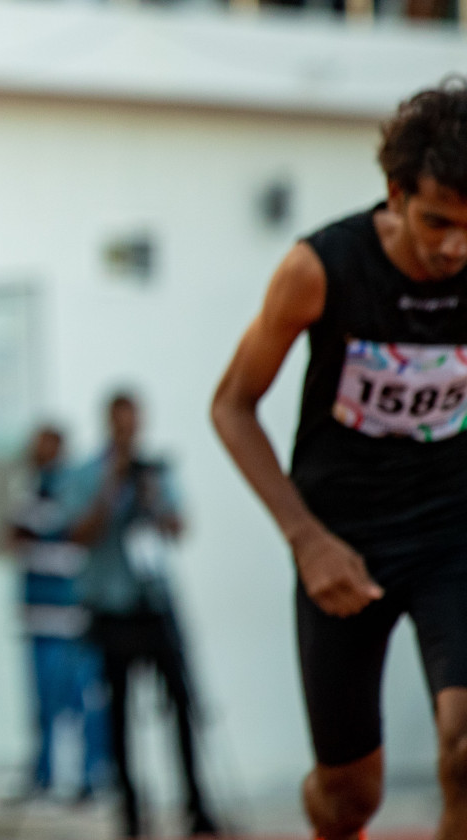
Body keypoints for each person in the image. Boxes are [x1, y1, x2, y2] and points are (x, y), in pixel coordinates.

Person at [211, 80, 467, 840]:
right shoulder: (320, 268)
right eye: (437, 223)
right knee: (351, 795)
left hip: (452, 534)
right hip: (342, 541)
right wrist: (307, 539)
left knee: (465, 754)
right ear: (395, 193)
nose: (455, 246)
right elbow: (231, 406)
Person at [63, 393, 216, 838]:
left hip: (156, 606)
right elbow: (78, 535)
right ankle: (130, 811)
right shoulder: (86, 474)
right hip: (112, 609)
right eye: (121, 424)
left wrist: (150, 496)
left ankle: (196, 804)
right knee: (119, 714)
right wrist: (111, 487)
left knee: (183, 706)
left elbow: (177, 528)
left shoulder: (156, 472)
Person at [7, 425, 108, 802]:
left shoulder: (76, 488)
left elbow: (72, 532)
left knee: (85, 699)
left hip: (72, 615)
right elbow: (13, 535)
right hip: (39, 614)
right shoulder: (29, 489)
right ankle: (44, 774)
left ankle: (90, 776)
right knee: (43, 702)